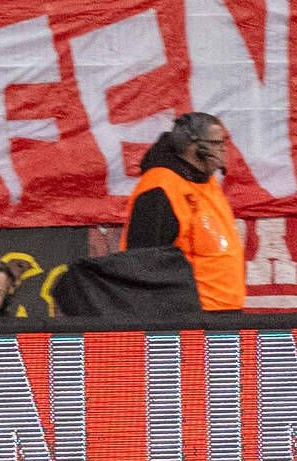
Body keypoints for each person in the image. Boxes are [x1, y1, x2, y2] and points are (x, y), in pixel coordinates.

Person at [60, 112, 243, 318]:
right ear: (195, 148)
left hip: (223, 312)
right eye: (216, 143)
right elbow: (144, 263)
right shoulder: (160, 189)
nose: (223, 149)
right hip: (191, 317)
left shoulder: (205, 181)